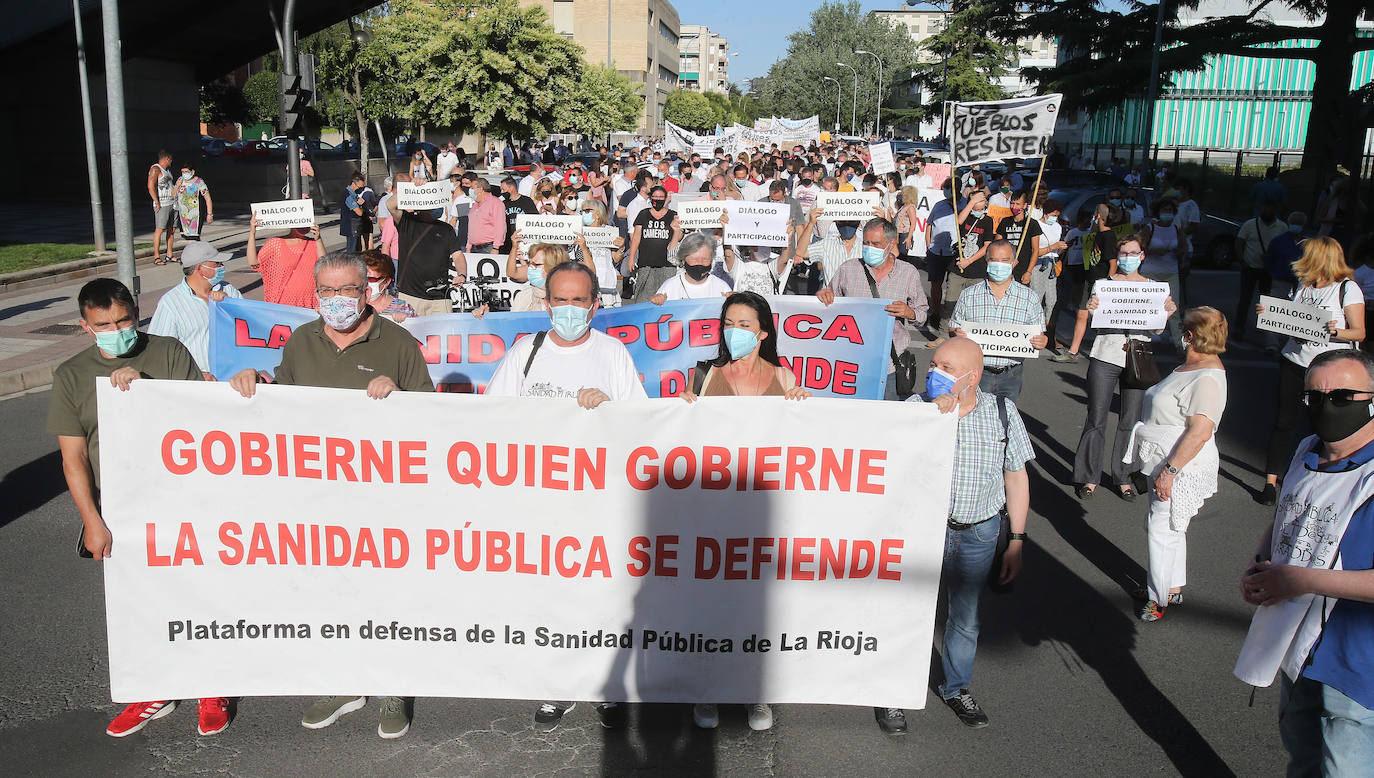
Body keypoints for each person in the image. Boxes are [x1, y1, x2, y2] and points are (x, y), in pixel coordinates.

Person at [229, 252, 433, 739]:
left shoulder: (399, 342)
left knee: (386, 594)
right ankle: (343, 681)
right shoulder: (302, 341)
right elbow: (285, 403)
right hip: (318, 496)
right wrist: (258, 383)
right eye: (327, 291)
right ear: (314, 294)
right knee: (329, 591)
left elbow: (430, 417)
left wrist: (400, 395)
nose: (337, 301)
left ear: (366, 292)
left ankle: (392, 685)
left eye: (347, 291)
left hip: (383, 495)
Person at [46, 278, 221, 738]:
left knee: (196, 593)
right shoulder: (71, 374)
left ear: (137, 313)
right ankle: (151, 689)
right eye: (104, 324)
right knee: (137, 603)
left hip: (183, 499)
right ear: (86, 326)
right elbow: (74, 457)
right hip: (120, 506)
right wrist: (91, 521)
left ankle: (211, 684)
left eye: (124, 320)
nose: (116, 330)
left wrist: (147, 392)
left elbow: (201, 422)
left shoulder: (167, 353)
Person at [485, 262, 644, 731]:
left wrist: (609, 410)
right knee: (548, 596)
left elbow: (639, 422)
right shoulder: (524, 353)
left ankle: (603, 683)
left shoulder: (613, 352)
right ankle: (556, 684)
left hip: (597, 500)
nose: (569, 310)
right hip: (540, 502)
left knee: (599, 593)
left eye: (579, 301)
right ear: (545, 302)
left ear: (596, 305)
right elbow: (494, 417)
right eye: (560, 300)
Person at [879, 337, 1032, 734]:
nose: (934, 373)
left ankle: (956, 688)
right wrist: (932, 417)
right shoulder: (915, 410)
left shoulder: (1002, 412)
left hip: (979, 532)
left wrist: (1016, 541)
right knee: (909, 611)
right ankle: (892, 694)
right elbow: (887, 469)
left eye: (946, 368)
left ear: (972, 377)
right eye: (934, 365)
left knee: (964, 618)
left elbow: (1015, 477)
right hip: (923, 532)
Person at [1236, 348, 1374, 777]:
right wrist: (1260, 564)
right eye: (1314, 396)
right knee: (1303, 758)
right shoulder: (1306, 450)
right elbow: (1285, 517)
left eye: (1341, 396)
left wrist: (1297, 579)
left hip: (1356, 661)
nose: (1325, 406)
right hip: (1298, 645)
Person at [679, 291, 809, 732]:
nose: (733, 332)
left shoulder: (785, 377)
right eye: (728, 323)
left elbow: (806, 443)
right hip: (711, 514)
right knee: (710, 608)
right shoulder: (703, 376)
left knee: (758, 608)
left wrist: (804, 406)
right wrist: (679, 409)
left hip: (763, 517)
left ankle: (756, 693)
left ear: (764, 333)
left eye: (744, 325)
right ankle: (709, 690)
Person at [1126, 307, 1228, 621]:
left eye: (1182, 331)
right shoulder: (1191, 366)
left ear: (1189, 336)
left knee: (1160, 529)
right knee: (1171, 525)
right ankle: (1171, 586)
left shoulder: (1208, 377)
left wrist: (1171, 471)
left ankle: (1158, 598)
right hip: (1165, 457)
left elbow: (1200, 431)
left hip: (1179, 463)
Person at [1260, 237, 1367, 505]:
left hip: (1327, 369)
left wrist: (1336, 331)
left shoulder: (1347, 289)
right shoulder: (1304, 285)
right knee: (1284, 422)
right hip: (1294, 359)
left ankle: (1321, 478)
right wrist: (1271, 314)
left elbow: (1360, 332)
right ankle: (1271, 482)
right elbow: (1292, 320)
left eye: (1307, 254)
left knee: (1321, 423)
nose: (1301, 258)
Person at [1073, 235, 1177, 499]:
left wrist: (1166, 312)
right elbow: (1098, 319)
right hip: (1106, 354)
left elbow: (1156, 327)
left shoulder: (1153, 287)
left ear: (1142, 256)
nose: (1127, 258)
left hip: (1138, 358)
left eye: (1133, 254)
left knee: (1130, 420)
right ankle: (1088, 476)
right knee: (1096, 417)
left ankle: (1123, 476)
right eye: (1123, 254)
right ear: (1117, 257)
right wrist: (1093, 308)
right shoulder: (1104, 285)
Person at [815, 217, 929, 400]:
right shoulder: (848, 269)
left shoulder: (908, 273)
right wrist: (823, 297)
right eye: (866, 243)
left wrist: (910, 312)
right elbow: (828, 303)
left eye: (876, 244)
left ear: (891, 244)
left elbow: (922, 313)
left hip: (890, 366)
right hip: (851, 363)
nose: (869, 248)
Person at [948, 240, 1048, 402]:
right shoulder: (969, 294)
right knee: (973, 419)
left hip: (1011, 374)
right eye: (994, 260)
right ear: (987, 261)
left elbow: (1039, 335)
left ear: (1014, 262)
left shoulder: (1030, 297)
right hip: (976, 372)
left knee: (1005, 420)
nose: (999, 265)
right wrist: (956, 334)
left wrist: (1042, 341)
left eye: (1005, 260)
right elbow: (953, 329)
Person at [148, 241, 243, 377]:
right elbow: (159, 352)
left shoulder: (228, 290)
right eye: (217, 264)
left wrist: (228, 305)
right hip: (197, 382)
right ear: (200, 268)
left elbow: (248, 325)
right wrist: (195, 375)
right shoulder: (171, 303)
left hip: (233, 377)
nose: (222, 267)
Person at [1052, 203, 1121, 363]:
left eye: (1095, 214)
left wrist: (1109, 284)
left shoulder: (1109, 236)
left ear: (1098, 216)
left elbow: (1113, 262)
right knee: (1081, 313)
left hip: (1101, 282)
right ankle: (1073, 352)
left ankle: (1103, 355)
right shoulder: (1097, 233)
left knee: (1098, 319)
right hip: (1088, 279)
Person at [392, 188, 468, 316]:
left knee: (445, 333)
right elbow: (390, 205)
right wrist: (413, 187)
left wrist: (462, 274)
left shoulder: (447, 229)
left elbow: (458, 255)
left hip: (440, 296)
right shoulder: (407, 222)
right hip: (411, 295)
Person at [1233, 202, 1289, 340]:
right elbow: (1239, 242)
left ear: (1275, 210)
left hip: (1269, 270)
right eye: (1264, 207)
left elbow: (1286, 247)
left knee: (1267, 300)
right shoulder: (1250, 224)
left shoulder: (1282, 227)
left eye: (1269, 207)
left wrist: (1274, 259)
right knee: (1245, 299)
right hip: (1250, 267)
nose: (1266, 210)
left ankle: (1265, 330)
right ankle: (1239, 328)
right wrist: (1242, 261)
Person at [247, 217, 325, 309]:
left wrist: (318, 239)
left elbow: (324, 265)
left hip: (309, 303)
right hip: (282, 304)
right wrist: (252, 233)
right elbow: (254, 262)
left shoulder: (314, 244)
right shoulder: (276, 243)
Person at [1139, 200, 1186, 351]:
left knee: (1174, 308)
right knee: (1147, 305)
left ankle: (1179, 345)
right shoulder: (1150, 227)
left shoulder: (1176, 228)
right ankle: (1143, 338)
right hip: (1150, 271)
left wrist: (1180, 252)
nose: (1168, 213)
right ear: (1158, 212)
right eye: (1165, 210)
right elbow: (1140, 246)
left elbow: (1183, 246)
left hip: (1171, 271)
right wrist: (1153, 251)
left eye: (1170, 210)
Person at [627, 185, 682, 305]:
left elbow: (679, 237)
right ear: (651, 198)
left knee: (665, 298)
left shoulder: (673, 215)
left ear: (666, 198)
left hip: (667, 264)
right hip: (646, 263)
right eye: (655, 197)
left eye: (661, 197)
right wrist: (631, 258)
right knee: (643, 299)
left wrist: (677, 229)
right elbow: (636, 237)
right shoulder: (643, 214)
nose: (658, 199)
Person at [572, 199, 625, 308]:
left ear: (597, 214)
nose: (583, 214)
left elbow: (616, 258)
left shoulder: (609, 231)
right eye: (582, 211)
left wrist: (621, 248)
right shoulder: (580, 232)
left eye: (587, 211)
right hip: (587, 283)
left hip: (606, 282)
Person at [651, 232, 732, 303]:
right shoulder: (670, 287)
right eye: (694, 259)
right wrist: (657, 301)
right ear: (683, 260)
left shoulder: (722, 287)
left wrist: (733, 300)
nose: (700, 263)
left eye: (705, 259)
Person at [1030, 200, 1068, 349]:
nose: (1055, 218)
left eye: (1057, 216)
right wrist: (1054, 246)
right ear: (1046, 213)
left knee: (1052, 300)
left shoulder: (1057, 227)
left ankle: (1047, 333)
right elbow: (1035, 251)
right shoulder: (1036, 226)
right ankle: (1034, 331)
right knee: (1036, 298)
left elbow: (1057, 249)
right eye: (1053, 215)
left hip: (1052, 265)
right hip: (1039, 264)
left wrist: (1060, 249)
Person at [499, 241, 570, 313]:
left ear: (553, 268)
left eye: (536, 264)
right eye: (530, 263)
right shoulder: (522, 297)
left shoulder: (571, 300)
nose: (531, 268)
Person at [996, 190, 1042, 284]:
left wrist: (1028, 272)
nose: (1014, 207)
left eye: (1018, 204)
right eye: (1012, 203)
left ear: (1025, 205)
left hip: (1022, 270)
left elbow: (1035, 250)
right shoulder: (1005, 222)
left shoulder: (1031, 224)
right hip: (1005, 268)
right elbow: (997, 244)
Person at [363, 249, 415, 322]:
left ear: (387, 281)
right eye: (360, 277)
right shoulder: (351, 306)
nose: (364, 283)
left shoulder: (403, 308)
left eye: (370, 279)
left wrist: (407, 320)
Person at [148, 150, 177, 265]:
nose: (171, 162)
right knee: (159, 229)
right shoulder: (156, 169)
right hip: (162, 203)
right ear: (167, 158)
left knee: (172, 229)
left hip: (172, 202)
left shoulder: (167, 171)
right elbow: (151, 186)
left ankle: (169, 255)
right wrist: (157, 202)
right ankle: (157, 256)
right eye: (170, 159)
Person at [464, 178, 507, 254]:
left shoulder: (496, 203)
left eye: (472, 188)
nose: (469, 190)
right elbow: (471, 228)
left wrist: (496, 247)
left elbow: (500, 227)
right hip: (473, 248)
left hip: (488, 248)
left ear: (480, 189)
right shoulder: (475, 205)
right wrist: (468, 247)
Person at [173, 162, 213, 241]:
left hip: (195, 215)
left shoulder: (199, 182)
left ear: (192, 172)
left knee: (194, 237)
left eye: (186, 172)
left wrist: (210, 214)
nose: (184, 174)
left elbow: (207, 198)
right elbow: (173, 194)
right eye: (182, 172)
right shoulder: (180, 180)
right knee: (186, 236)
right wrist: (177, 186)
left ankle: (197, 251)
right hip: (183, 215)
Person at [499, 177, 537, 255]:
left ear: (512, 188)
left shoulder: (526, 201)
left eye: (503, 189)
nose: (502, 192)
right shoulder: (502, 203)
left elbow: (534, 219)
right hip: (507, 242)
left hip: (523, 242)